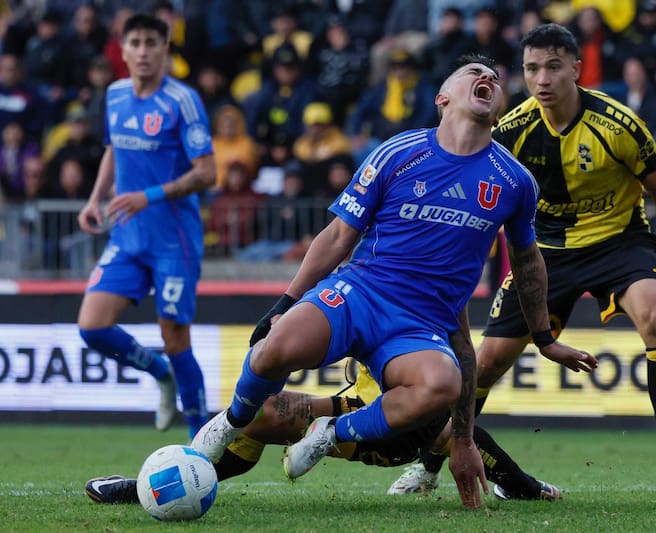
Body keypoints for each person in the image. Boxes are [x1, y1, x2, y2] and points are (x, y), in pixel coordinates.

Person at [191, 54, 596, 509]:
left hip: (419, 327)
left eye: (493, 78)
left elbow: (528, 262)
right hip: (360, 294)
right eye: (472, 74)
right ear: (443, 98)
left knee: (444, 384)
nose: (486, 77)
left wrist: (542, 336)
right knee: (272, 350)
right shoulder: (397, 152)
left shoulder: (515, 181)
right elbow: (339, 235)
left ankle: (331, 433)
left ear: (498, 108)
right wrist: (285, 301)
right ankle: (228, 423)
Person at [388, 23, 656, 501]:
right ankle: (431, 466)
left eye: (553, 67)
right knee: (485, 363)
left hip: (619, 246)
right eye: (530, 68)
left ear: (576, 69)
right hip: (545, 254)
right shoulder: (511, 130)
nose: (541, 79)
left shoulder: (618, 123)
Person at [86, 360, 563, 504]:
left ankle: (518, 485)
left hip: (396, 426)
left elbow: (460, 418)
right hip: (355, 407)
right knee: (260, 414)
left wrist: (528, 485)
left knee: (435, 419)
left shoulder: (419, 300)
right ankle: (157, 488)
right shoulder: (360, 288)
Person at [76, 13, 216, 439]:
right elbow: (113, 149)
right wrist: (96, 197)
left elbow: (208, 172)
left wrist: (147, 195)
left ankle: (201, 445)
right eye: (134, 42)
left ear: (164, 48)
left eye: (151, 43)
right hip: (128, 235)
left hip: (173, 240)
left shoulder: (182, 100)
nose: (142, 51)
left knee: (176, 340)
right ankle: (159, 374)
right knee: (92, 327)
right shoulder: (115, 94)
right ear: (122, 49)